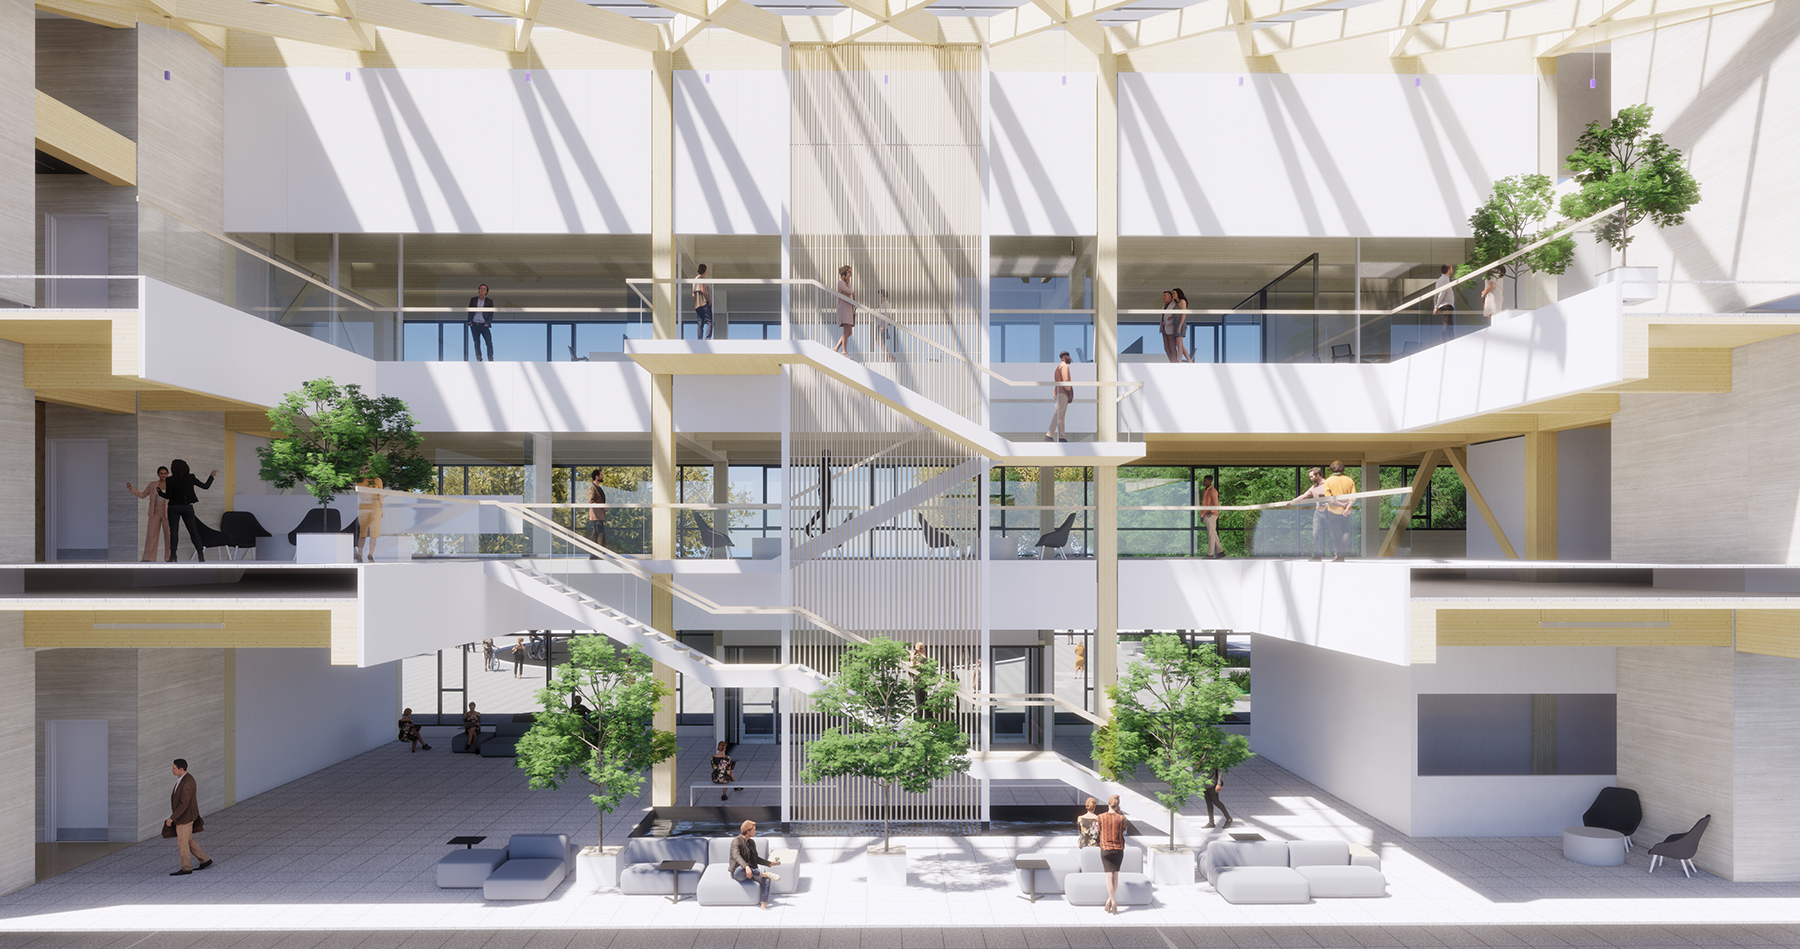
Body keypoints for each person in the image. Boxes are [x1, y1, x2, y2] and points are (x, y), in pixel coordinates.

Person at [157, 460, 217, 562]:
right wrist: (212, 476)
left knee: (174, 532)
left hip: (174, 508)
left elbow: (168, 496)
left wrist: (159, 492)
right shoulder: (191, 477)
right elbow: (205, 486)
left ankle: (173, 555)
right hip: (187, 507)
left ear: (173, 468)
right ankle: (200, 554)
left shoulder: (170, 480)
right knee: (193, 531)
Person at [163, 759, 212, 875]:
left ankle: (186, 868)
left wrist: (172, 818)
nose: (172, 770)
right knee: (189, 840)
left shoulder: (186, 783)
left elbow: (183, 804)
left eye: (174, 768)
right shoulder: (185, 779)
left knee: (182, 843)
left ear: (181, 769)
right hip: (187, 816)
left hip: (184, 819)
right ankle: (205, 860)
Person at [730, 820, 782, 910]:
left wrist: (770, 863)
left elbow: (756, 859)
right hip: (739, 872)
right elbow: (736, 856)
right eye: (754, 829)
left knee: (767, 880)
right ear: (747, 831)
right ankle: (764, 873)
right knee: (741, 869)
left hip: (752, 871)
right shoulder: (736, 841)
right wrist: (746, 867)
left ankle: (763, 905)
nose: (755, 831)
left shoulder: (752, 843)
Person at [126, 466, 171, 562]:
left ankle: (169, 558)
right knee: (151, 534)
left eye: (165, 473)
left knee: (169, 534)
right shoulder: (152, 484)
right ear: (158, 474)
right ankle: (148, 558)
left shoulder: (171, 484)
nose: (163, 475)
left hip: (168, 511)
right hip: (154, 511)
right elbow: (142, 495)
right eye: (161, 473)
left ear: (168, 474)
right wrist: (132, 489)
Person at [1097, 794, 1129, 914]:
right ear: (1117, 805)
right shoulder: (1122, 818)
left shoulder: (1100, 817)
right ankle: (1110, 900)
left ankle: (1112, 901)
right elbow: (1123, 830)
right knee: (1115, 876)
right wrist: (1119, 814)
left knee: (1108, 876)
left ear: (1108, 804)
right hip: (1118, 849)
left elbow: (1098, 830)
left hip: (1105, 849)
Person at [1321, 460, 1358, 562]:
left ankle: (1338, 555)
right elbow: (1353, 497)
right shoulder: (1349, 480)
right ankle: (1342, 555)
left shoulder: (1328, 481)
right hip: (1347, 511)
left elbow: (1329, 498)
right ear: (1342, 468)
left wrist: (1341, 505)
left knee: (1336, 533)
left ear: (1331, 468)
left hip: (1333, 511)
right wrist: (1347, 507)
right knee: (1346, 531)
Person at [1292, 467, 1329, 561]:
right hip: (1318, 513)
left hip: (1329, 512)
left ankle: (1338, 555)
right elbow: (1304, 496)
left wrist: (1329, 503)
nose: (1311, 478)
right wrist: (1293, 501)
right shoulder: (1313, 488)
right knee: (1315, 534)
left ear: (1318, 475)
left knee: (1332, 534)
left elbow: (1336, 495)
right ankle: (1317, 556)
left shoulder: (1328, 484)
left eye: (1312, 476)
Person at [1045, 351, 1073, 443]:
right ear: (1066, 357)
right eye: (1069, 356)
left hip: (1058, 392)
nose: (1070, 358)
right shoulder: (1064, 366)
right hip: (1062, 393)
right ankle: (1049, 435)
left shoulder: (1058, 368)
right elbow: (1065, 381)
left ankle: (1061, 437)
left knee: (1061, 416)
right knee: (1058, 414)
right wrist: (1069, 391)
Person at [355, 474, 383, 563]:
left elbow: (380, 495)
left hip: (375, 504)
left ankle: (370, 554)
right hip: (364, 504)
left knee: (374, 532)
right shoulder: (359, 480)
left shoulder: (377, 480)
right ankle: (360, 553)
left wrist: (381, 509)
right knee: (363, 531)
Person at [468, 283, 495, 362]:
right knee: (477, 342)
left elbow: (491, 313)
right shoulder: (473, 300)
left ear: (486, 292)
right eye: (481, 288)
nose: (482, 290)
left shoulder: (489, 301)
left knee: (489, 342)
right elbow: (469, 311)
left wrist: (488, 323)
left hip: (484, 325)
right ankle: (479, 358)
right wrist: (470, 322)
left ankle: (490, 358)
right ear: (478, 290)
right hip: (475, 324)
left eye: (484, 289)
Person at [1199, 474, 1224, 558]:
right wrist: (1202, 515)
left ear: (1210, 481)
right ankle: (1220, 552)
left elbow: (1215, 504)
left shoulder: (1213, 491)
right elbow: (1204, 504)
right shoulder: (1205, 491)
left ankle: (1210, 554)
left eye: (1205, 480)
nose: (1203, 482)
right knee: (1213, 533)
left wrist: (1211, 512)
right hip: (1207, 514)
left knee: (1211, 534)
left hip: (1211, 515)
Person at [833, 264, 855, 355]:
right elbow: (850, 292)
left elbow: (850, 294)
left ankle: (836, 347)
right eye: (849, 272)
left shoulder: (846, 284)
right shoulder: (841, 283)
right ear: (844, 273)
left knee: (849, 331)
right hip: (844, 309)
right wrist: (849, 283)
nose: (850, 274)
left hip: (848, 309)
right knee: (846, 329)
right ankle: (844, 351)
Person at [586, 468, 608, 554]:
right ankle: (601, 553)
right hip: (596, 515)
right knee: (600, 533)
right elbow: (591, 502)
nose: (602, 477)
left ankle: (593, 555)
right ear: (596, 476)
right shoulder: (592, 488)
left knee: (595, 534)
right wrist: (603, 507)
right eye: (601, 475)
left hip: (600, 515)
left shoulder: (599, 488)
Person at [1433, 265, 1455, 342]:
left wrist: (1436, 305)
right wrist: (1436, 306)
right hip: (1446, 305)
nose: (1452, 270)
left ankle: (1451, 340)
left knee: (1450, 325)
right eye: (1451, 268)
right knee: (1447, 324)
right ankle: (1444, 341)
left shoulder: (1440, 280)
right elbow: (1442, 293)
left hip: (1446, 305)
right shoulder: (1445, 280)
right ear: (1448, 270)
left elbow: (1435, 295)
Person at [874, 289, 897, 361]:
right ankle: (886, 359)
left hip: (881, 326)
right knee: (881, 343)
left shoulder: (886, 303)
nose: (877, 296)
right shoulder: (883, 303)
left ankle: (890, 357)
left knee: (879, 343)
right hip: (880, 325)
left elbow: (886, 315)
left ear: (881, 295)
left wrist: (882, 326)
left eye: (878, 294)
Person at [693, 264, 713, 340]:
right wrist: (709, 300)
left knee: (700, 323)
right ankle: (707, 338)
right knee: (710, 321)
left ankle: (700, 339)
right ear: (705, 270)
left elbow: (693, 295)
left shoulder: (694, 280)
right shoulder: (702, 278)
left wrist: (696, 302)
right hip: (704, 303)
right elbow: (703, 290)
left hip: (697, 305)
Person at [1172, 288, 1192, 363]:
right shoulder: (1176, 303)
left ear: (1178, 294)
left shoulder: (1182, 301)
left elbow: (1183, 314)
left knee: (1179, 344)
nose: (1173, 295)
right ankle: (1190, 361)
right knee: (1179, 344)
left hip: (1180, 324)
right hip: (1176, 324)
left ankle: (1179, 361)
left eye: (1174, 293)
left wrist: (1180, 325)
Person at [1158, 289, 1179, 362]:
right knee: (1166, 348)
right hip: (1164, 329)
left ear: (1170, 297)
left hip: (1170, 329)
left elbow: (1175, 317)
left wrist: (1166, 322)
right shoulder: (1164, 306)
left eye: (1165, 296)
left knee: (1172, 348)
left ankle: (1174, 363)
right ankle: (1171, 362)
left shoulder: (1173, 305)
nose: (1163, 297)